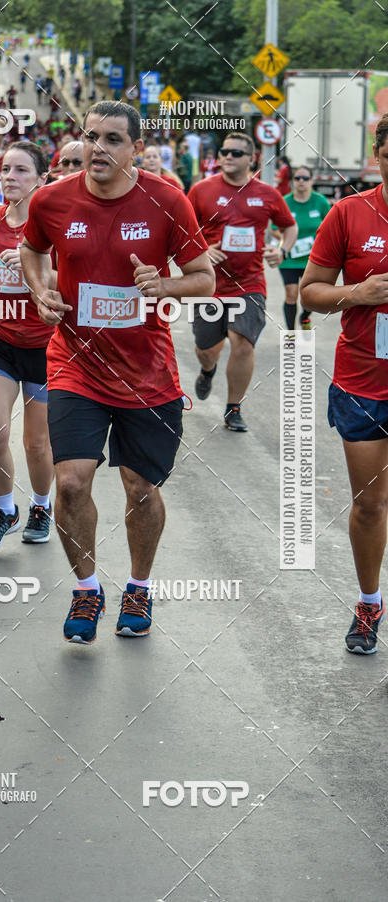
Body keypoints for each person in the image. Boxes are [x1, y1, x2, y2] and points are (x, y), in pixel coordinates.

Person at [20, 101, 214, 644]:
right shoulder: (52, 199)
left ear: (137, 150)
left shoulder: (167, 200)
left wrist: (164, 285)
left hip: (145, 372)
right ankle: (86, 590)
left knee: (141, 488)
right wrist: (41, 290)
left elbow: (203, 280)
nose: (96, 148)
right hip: (75, 363)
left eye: (111, 139)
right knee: (72, 482)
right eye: (90, 136)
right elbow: (31, 249)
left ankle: (138, 585)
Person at [300, 114, 388, 656]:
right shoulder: (349, 214)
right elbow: (310, 292)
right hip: (363, 382)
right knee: (370, 504)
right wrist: (357, 294)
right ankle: (369, 601)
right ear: (379, 153)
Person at [0, 142, 56, 549]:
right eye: (5, 169)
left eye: (21, 170)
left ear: (41, 179)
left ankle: (41, 505)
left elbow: (73, 279)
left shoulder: (54, 226)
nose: (9, 177)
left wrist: (41, 269)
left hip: (44, 343)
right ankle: (5, 509)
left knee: (36, 442)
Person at [188, 132, 297, 432]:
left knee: (243, 344)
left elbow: (289, 226)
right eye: (224, 151)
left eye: (236, 153)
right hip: (207, 285)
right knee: (206, 348)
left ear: (252, 159)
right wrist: (202, 249)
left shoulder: (267, 194)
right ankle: (207, 370)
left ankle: (233, 408)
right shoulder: (201, 190)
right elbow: (182, 229)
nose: (228, 156)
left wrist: (283, 250)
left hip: (249, 284)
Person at [277, 165, 331, 330]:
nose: (301, 181)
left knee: (310, 298)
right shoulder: (285, 202)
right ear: (293, 181)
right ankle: (290, 335)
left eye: (305, 178)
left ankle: (305, 317)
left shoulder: (320, 201)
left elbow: (330, 228)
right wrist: (287, 241)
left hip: (312, 259)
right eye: (297, 178)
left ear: (312, 181)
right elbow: (273, 229)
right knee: (291, 295)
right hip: (290, 259)